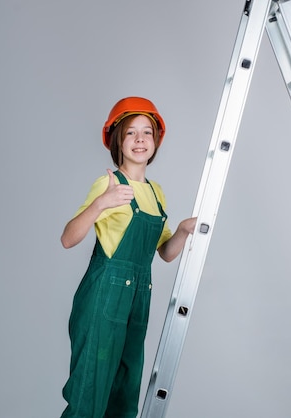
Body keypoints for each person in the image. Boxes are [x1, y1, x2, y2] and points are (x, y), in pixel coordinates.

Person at [59, 97, 196, 417]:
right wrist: (101, 204)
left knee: (124, 393)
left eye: (146, 132)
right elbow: (68, 238)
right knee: (90, 390)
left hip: (137, 299)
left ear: (156, 140)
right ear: (117, 140)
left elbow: (163, 253)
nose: (139, 139)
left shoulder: (155, 191)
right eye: (131, 132)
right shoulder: (108, 183)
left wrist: (184, 231)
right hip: (104, 297)